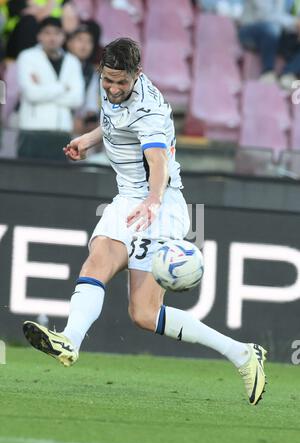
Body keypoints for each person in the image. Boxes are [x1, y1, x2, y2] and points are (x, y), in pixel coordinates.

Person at [22, 37, 267, 406]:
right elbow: (113, 121)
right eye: (108, 81)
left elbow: (158, 162)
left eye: (122, 82)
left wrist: (153, 199)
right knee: (98, 259)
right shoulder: (110, 85)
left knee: (144, 314)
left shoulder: (150, 111)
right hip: (127, 200)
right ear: (102, 71)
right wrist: (89, 140)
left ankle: (242, 353)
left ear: (138, 75)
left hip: (160, 205)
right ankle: (69, 339)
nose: (114, 89)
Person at [16, 16, 84, 160]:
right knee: (26, 178)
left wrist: (43, 88)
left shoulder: (72, 62)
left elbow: (77, 99)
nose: (52, 38)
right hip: (32, 131)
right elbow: (31, 94)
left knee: (59, 180)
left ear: (63, 36)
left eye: (57, 33)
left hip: (62, 132)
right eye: (47, 33)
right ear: (39, 35)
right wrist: (63, 87)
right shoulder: (27, 57)